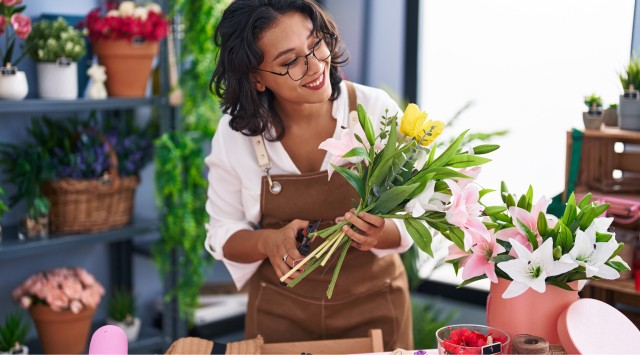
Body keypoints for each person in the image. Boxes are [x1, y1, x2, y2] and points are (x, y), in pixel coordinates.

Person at [205, 0, 413, 350]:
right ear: (256, 78)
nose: (315, 65)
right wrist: (268, 242)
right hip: (279, 315)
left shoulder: (375, 111)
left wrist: (381, 233)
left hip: (376, 308)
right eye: (289, 62)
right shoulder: (236, 135)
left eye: (316, 43)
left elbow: (417, 213)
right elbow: (223, 233)